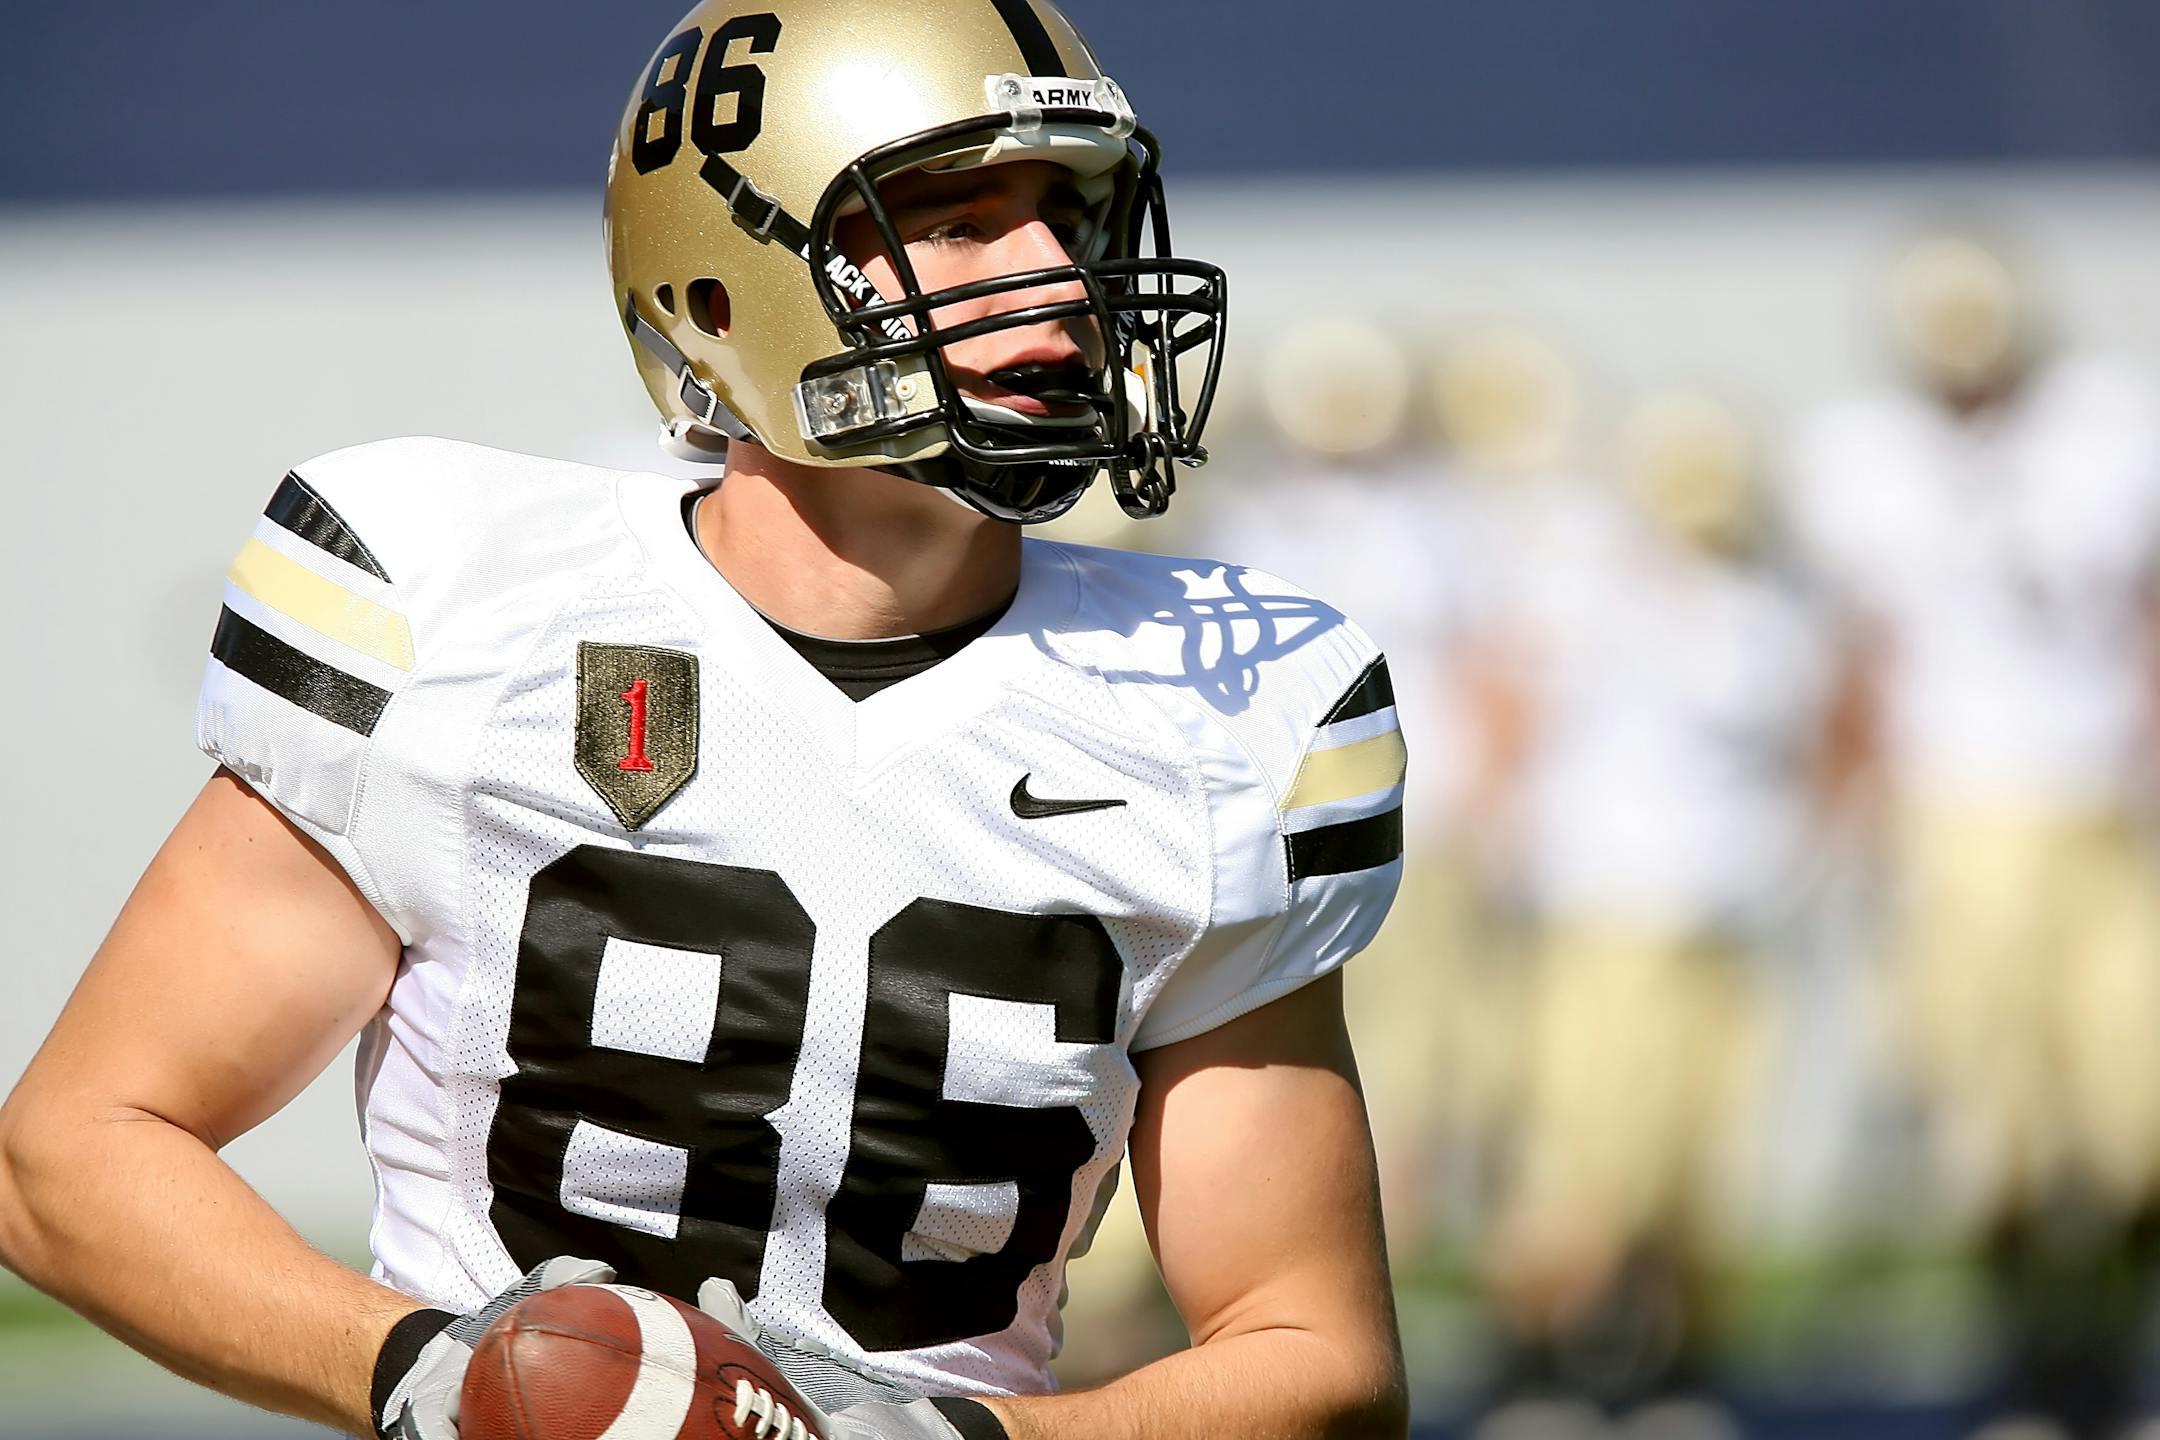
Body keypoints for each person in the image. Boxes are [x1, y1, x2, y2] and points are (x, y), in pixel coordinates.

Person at [0, 5, 1410, 1440]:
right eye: (959, 217)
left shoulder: (1220, 712)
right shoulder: (465, 609)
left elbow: (1313, 1347)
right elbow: (75, 1155)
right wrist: (442, 1375)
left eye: (1070, 212)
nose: (1058, 276)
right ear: (730, 282)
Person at [1788, 230, 2160, 1440]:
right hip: (1954, 816)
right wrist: (1841, 816)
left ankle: (2106, 1336)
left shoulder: (2106, 428)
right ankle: (2037, 1358)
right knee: (1990, 1123)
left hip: (2101, 810)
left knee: (2132, 1108)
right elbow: (1863, 655)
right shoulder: (1863, 458)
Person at [1466, 390, 1831, 1438]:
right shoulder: (1585, 589)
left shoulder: (1765, 610)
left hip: (1724, 921)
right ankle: (1536, 1366)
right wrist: (1511, 844)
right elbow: (1505, 708)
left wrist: (1802, 855)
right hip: (1604, 913)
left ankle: (1677, 1366)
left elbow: (1812, 741)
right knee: (1581, 1155)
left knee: (1698, 1159)